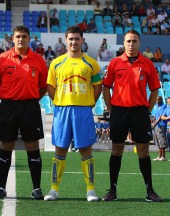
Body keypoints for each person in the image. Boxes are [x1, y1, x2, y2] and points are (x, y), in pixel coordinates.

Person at [102, 29, 162, 202]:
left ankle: (150, 191)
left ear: (139, 43)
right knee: (117, 149)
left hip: (139, 112)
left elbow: (155, 90)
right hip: (119, 111)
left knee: (143, 151)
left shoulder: (147, 64)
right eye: (128, 41)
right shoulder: (114, 63)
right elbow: (106, 87)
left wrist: (147, 111)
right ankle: (112, 190)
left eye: (134, 41)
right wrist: (111, 108)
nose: (131, 44)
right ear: (124, 43)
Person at [44, 26, 102, 202]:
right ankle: (54, 189)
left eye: (77, 38)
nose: (73, 42)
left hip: (83, 110)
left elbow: (98, 87)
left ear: (82, 40)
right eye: (70, 39)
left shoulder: (91, 63)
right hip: (62, 110)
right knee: (60, 150)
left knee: (86, 150)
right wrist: (60, 101)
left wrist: (89, 102)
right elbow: (50, 87)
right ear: (65, 40)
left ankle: (90, 190)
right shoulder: (56, 63)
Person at [0, 25, 48, 199]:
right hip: (8, 106)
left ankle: (36, 188)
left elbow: (44, 87)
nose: (21, 39)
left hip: (30, 107)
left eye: (24, 36)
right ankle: (1, 187)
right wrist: (8, 98)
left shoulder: (38, 60)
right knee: (6, 145)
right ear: (12, 39)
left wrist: (30, 98)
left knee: (32, 146)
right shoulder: (2, 59)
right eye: (18, 36)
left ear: (29, 38)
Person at [152, 96, 167, 161]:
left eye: (158, 99)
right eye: (156, 99)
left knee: (162, 141)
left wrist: (155, 123)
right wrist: (153, 120)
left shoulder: (163, 106)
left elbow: (161, 116)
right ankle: (159, 156)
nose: (157, 100)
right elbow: (156, 116)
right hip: (157, 126)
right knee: (158, 141)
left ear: (161, 100)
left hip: (161, 126)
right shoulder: (157, 107)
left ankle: (163, 156)